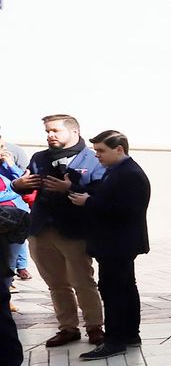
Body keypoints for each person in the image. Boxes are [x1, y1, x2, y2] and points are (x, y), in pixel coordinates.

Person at [9, 114, 106, 347]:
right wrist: (18, 185)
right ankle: (68, 328)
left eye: (55, 131)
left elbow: (102, 194)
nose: (50, 136)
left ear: (74, 131)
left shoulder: (92, 160)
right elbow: (27, 186)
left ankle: (95, 327)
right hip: (41, 229)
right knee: (56, 283)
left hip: (75, 230)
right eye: (47, 132)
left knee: (83, 281)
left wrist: (70, 187)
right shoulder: (39, 157)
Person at [67, 131, 150, 359]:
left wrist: (89, 202)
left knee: (114, 292)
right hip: (117, 243)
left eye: (101, 151)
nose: (97, 156)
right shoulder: (118, 171)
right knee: (124, 289)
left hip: (117, 243)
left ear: (119, 149)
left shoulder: (128, 173)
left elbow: (126, 210)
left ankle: (115, 340)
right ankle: (130, 334)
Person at [0, 131, 29, 284]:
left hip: (16, 219)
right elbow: (17, 187)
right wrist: (14, 189)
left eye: (2, 146)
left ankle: (7, 290)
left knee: (9, 263)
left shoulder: (5, 165)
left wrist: (11, 165)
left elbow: (24, 183)